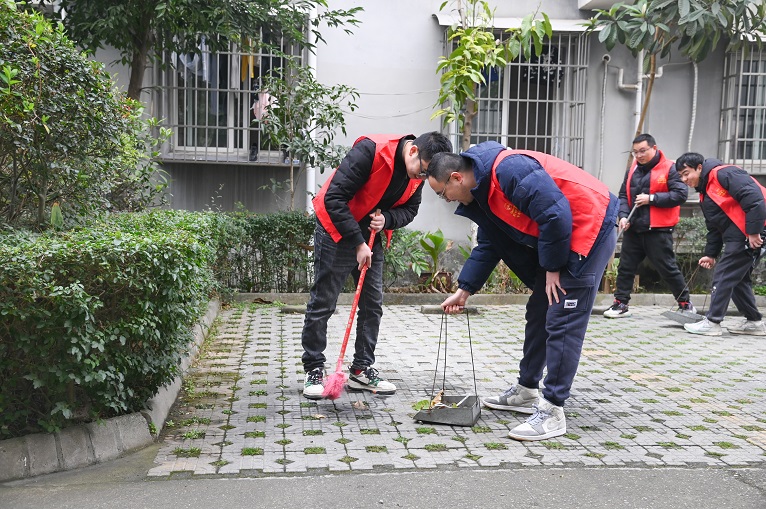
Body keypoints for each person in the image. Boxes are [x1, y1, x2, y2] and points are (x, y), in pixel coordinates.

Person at [427, 142, 618, 441]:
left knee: (563, 316)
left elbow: (555, 213)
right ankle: (527, 390)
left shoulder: (510, 169)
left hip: (589, 224)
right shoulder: (482, 193)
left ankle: (552, 410)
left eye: (442, 193)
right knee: (540, 309)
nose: (446, 200)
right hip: (560, 237)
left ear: (456, 178)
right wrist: (464, 290)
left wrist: (552, 267)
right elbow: (490, 244)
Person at [301, 132, 453, 399]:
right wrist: (358, 243)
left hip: (370, 236)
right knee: (324, 301)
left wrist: (387, 220)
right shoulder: (370, 152)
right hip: (336, 230)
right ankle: (314, 368)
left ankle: (361, 369)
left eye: (426, 175)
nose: (421, 178)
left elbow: (410, 210)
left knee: (372, 304)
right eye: (422, 171)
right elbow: (333, 198)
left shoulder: (416, 176)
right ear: (413, 151)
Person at [604, 134, 695, 318]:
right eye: (635, 152)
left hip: (658, 229)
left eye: (643, 151)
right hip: (634, 228)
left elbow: (680, 194)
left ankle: (685, 304)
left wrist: (651, 199)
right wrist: (623, 216)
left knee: (667, 268)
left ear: (654, 148)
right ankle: (620, 303)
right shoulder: (632, 169)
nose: (639, 155)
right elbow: (623, 195)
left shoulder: (670, 168)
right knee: (625, 267)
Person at [675, 152, 766, 336]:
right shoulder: (705, 192)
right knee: (737, 278)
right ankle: (754, 322)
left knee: (724, 274)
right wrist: (710, 254)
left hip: (751, 231)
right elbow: (714, 228)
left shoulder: (723, 173)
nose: (684, 179)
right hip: (741, 233)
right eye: (681, 176)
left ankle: (713, 322)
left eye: (686, 173)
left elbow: (754, 198)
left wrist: (754, 231)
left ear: (699, 168)